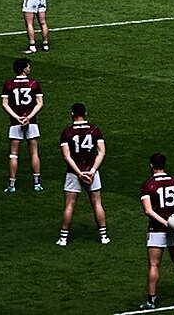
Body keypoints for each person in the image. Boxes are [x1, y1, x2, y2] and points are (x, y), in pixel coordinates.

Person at [139, 153, 174, 309]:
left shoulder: (148, 185)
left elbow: (148, 210)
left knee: (154, 265)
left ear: (151, 166)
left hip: (156, 230)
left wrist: (165, 222)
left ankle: (151, 301)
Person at [56, 103, 110, 246]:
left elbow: (67, 156)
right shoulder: (94, 130)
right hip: (92, 171)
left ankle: (63, 238)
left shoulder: (67, 132)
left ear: (72, 114)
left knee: (70, 205)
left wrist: (79, 173)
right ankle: (104, 236)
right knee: (97, 203)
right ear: (85, 113)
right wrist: (92, 171)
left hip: (73, 173)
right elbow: (102, 152)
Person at [1, 58, 45, 193]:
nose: (30, 68)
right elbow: (40, 103)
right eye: (28, 66)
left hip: (15, 123)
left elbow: (4, 104)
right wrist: (28, 117)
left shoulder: (8, 84)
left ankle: (12, 185)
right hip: (31, 122)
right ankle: (37, 183)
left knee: (13, 154)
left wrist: (17, 117)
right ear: (24, 68)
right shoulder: (33, 83)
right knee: (34, 152)